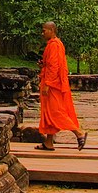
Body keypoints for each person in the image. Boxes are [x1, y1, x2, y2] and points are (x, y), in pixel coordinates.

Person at [36, 21, 87, 150]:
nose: (42, 33)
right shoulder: (53, 44)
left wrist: (48, 84)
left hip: (53, 85)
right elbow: (51, 65)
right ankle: (48, 142)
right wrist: (43, 66)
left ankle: (79, 133)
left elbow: (54, 67)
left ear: (52, 30)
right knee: (48, 113)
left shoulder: (54, 45)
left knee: (56, 112)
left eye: (44, 31)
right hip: (52, 82)